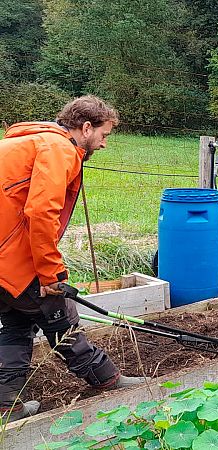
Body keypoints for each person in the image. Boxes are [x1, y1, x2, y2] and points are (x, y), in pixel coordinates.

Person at [0, 95, 146, 424]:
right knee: (61, 320)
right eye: (104, 135)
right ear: (85, 127)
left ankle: (7, 406)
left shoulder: (30, 141)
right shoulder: (59, 148)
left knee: (16, 323)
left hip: (3, 258)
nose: (104, 144)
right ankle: (109, 380)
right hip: (11, 256)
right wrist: (51, 274)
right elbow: (40, 212)